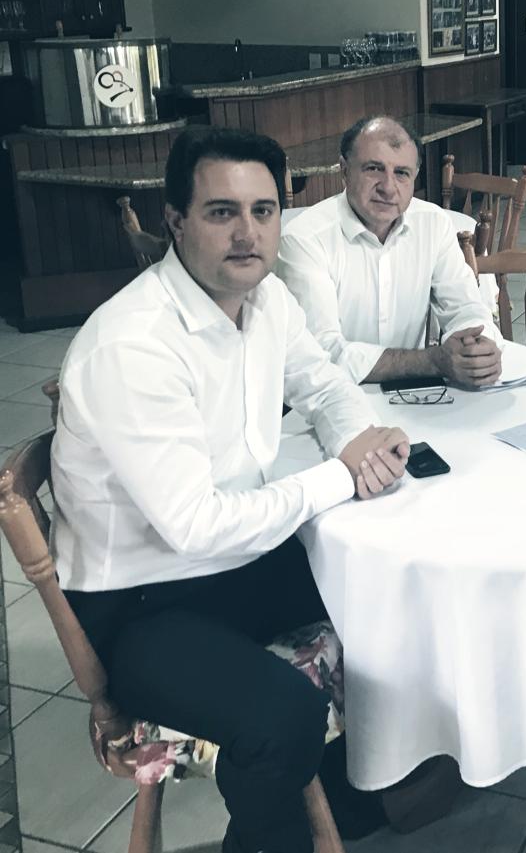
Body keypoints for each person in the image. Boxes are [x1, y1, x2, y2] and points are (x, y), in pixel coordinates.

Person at [53, 127, 412, 853]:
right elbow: (196, 525)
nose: (248, 233)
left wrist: (358, 441)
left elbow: (324, 384)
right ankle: (270, 836)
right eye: (222, 212)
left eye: (263, 210)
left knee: (390, 590)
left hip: (225, 566)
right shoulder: (135, 343)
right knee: (282, 717)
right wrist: (337, 476)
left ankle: (356, 793)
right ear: (175, 221)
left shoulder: (266, 298)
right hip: (138, 602)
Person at [277, 114, 502, 387]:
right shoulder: (304, 239)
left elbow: (465, 308)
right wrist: (433, 361)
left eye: (401, 173)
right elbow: (321, 354)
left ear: (414, 177)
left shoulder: (433, 223)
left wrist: (478, 346)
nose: (388, 187)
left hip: (412, 394)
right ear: (345, 171)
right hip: (332, 395)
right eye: (374, 168)